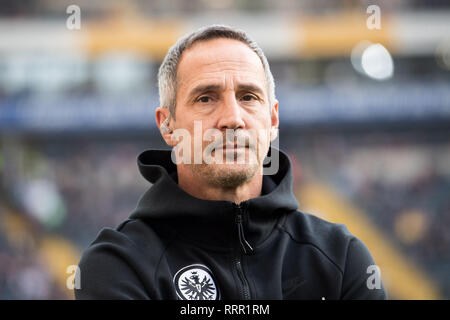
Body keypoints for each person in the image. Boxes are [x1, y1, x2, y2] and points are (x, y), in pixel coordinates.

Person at [75, 25, 387, 300]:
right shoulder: (118, 265)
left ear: (273, 118)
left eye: (249, 97)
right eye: (206, 98)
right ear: (167, 125)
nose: (233, 119)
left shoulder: (341, 258)